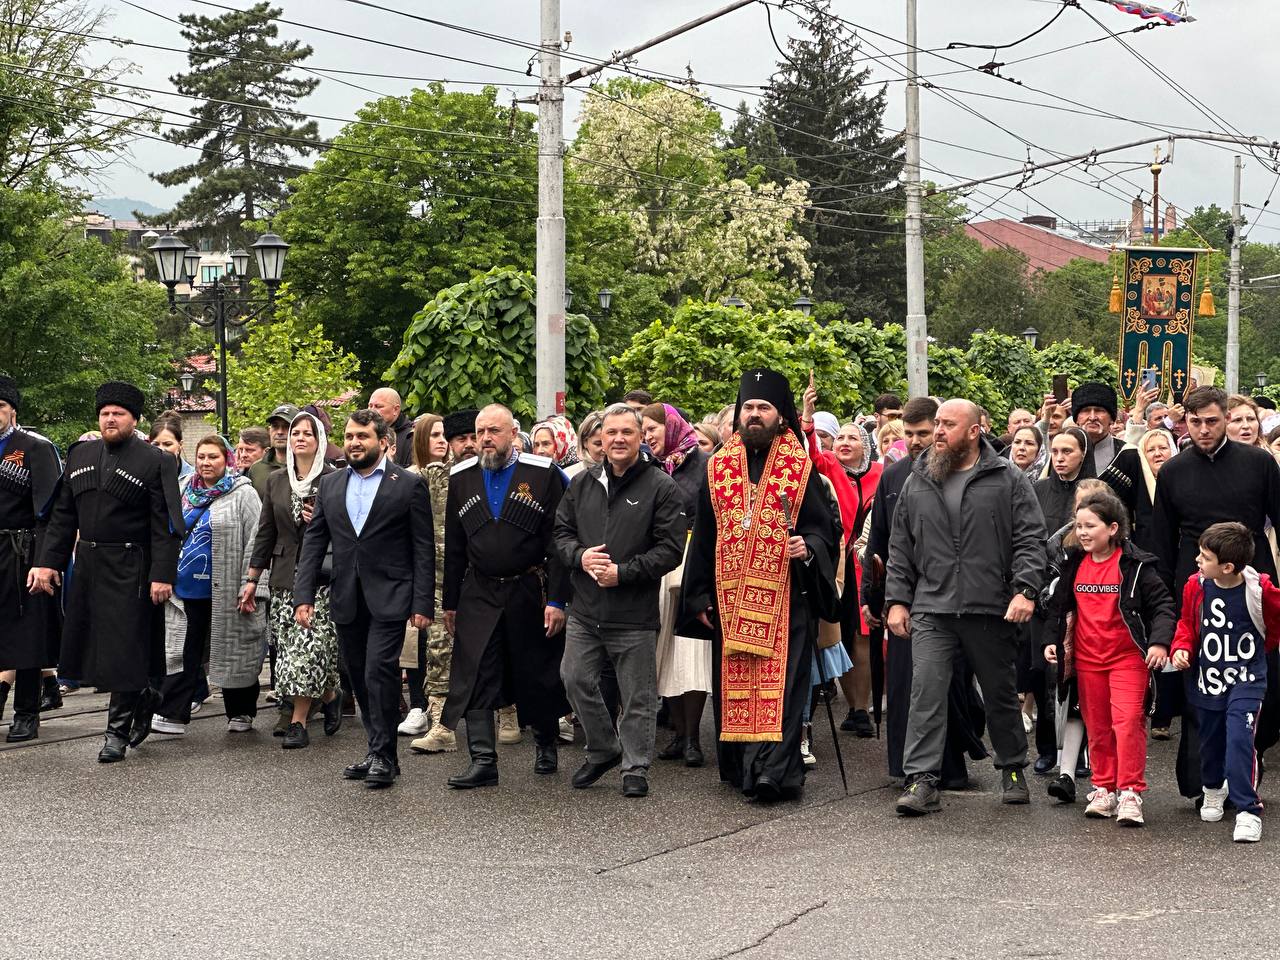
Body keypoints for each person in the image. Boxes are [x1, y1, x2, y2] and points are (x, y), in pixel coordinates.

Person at [681, 368, 839, 803]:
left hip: (788, 600)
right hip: (730, 603)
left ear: (780, 415)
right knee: (735, 685)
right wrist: (697, 595)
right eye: (748, 407)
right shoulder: (717, 468)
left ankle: (775, 772)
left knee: (783, 689)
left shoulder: (801, 468)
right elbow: (704, 535)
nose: (754, 415)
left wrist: (807, 547)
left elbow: (826, 533)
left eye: (763, 408)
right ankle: (742, 767)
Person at [886, 399, 1047, 816]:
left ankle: (1012, 769)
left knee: (1000, 695)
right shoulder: (918, 477)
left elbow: (1031, 539)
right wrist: (897, 601)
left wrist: (1025, 590)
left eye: (947, 425)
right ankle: (922, 780)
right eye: (936, 424)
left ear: (974, 431)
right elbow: (901, 545)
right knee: (926, 694)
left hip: (990, 607)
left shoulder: (1007, 477)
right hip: (932, 608)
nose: (938, 432)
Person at [30, 382, 183, 762]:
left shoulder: (156, 461)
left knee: (123, 649)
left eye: (119, 413)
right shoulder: (81, 453)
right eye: (105, 413)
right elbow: (63, 516)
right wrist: (48, 562)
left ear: (135, 419)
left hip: (133, 566)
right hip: (88, 564)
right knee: (89, 647)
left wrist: (162, 574)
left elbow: (165, 524)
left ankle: (114, 733)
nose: (111, 418)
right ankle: (144, 695)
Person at [294, 410, 435, 789]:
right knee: (357, 675)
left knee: (378, 671)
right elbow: (314, 543)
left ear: (384, 441)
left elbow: (423, 549)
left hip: (392, 596)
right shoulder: (331, 484)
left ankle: (385, 755)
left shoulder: (407, 485)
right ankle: (377, 748)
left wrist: (423, 603)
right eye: (350, 436)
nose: (355, 442)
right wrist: (302, 595)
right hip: (346, 597)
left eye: (363, 436)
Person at [1152, 385, 1280, 802]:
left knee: (1255, 680)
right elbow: (1162, 541)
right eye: (1195, 422)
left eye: (1211, 420)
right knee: (1201, 686)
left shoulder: (1259, 463)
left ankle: (1245, 772)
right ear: (1184, 423)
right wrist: (1164, 601)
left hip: (1252, 585)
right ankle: (1203, 780)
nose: (1204, 430)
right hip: (1195, 588)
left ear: (1226, 417)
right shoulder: (1172, 471)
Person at [555, 404, 685, 797]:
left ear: (641, 437)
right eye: (610, 433)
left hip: (634, 613)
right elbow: (560, 533)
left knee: (638, 696)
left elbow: (671, 549)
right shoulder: (582, 483)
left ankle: (636, 766)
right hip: (585, 609)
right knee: (574, 679)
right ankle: (604, 748)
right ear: (601, 438)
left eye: (626, 432)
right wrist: (580, 557)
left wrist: (623, 572)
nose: (617, 439)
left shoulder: (661, 487)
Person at [441, 403, 571, 789]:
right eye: (480, 432)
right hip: (479, 590)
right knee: (475, 670)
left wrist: (558, 600)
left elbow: (561, 543)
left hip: (529, 587)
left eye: (493, 431)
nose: (484, 439)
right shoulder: (461, 477)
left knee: (537, 671)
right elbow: (455, 545)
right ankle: (483, 760)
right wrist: (450, 603)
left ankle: (546, 745)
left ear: (513, 433)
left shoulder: (544, 474)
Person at [862, 397, 985, 787]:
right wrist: (871, 596)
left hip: (954, 598)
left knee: (948, 683)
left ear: (941, 429)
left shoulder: (965, 470)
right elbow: (879, 542)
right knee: (904, 684)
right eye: (910, 434)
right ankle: (908, 769)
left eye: (924, 433)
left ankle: (949, 768)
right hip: (904, 596)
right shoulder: (893, 476)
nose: (916, 441)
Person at [1040, 491, 1173, 826]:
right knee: (1098, 728)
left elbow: (1162, 607)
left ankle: (1130, 792)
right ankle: (1104, 788)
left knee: (1127, 723)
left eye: (1091, 526)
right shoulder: (1073, 564)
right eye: (1079, 526)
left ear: (1113, 528)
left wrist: (1158, 643)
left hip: (1127, 658)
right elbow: (1057, 608)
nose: (1083, 532)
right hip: (1087, 661)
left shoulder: (1136, 565)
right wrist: (1051, 641)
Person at [1171, 522, 1280, 842]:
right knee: (1211, 740)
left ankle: (1248, 809)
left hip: (1247, 678)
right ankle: (1213, 788)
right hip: (1210, 678)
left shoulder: (1260, 589)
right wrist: (1182, 648)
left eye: (1204, 557)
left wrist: (1264, 650)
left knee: (1240, 740)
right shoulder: (1196, 585)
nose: (1197, 561)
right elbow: (1188, 624)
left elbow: (1274, 624)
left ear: (1227, 566)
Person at [150, 435, 266, 736]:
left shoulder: (243, 493)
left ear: (225, 460)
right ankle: (173, 714)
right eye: (201, 456)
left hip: (227, 588)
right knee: (180, 650)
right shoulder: (182, 488)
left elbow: (257, 541)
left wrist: (250, 582)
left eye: (213, 457)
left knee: (234, 646)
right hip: (185, 589)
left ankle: (240, 711)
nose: (206, 462)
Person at [243, 411, 343, 750]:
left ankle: (299, 722)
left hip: (321, 579)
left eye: (307, 433)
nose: (299, 438)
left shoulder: (335, 478)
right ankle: (330, 695)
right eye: (295, 433)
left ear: (319, 441)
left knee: (308, 648)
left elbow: (351, 531)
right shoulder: (276, 481)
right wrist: (252, 579)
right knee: (290, 651)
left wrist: (322, 522)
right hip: (285, 576)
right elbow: (266, 533)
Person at [641, 403, 713, 768]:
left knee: (691, 652)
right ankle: (678, 734)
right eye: (645, 430)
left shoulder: (704, 463)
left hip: (691, 561)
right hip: (657, 563)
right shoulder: (650, 468)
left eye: (653, 428)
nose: (648, 435)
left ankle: (693, 739)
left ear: (671, 425)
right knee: (664, 650)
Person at [0, 377, 62, 742]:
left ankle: (26, 712)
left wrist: (46, 560)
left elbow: (51, 512)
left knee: (26, 634)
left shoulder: (34, 448)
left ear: (12, 411)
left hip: (22, 550)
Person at [403, 413, 457, 753]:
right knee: (420, 646)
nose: (441, 440)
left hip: (452, 572)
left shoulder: (460, 477)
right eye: (434, 435)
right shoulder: (407, 480)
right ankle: (421, 709)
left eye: (444, 435)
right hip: (419, 573)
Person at [833, 420, 882, 737]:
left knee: (862, 638)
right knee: (838, 637)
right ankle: (852, 706)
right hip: (835, 566)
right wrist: (807, 417)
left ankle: (862, 709)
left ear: (866, 444)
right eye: (839, 437)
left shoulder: (881, 473)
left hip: (865, 566)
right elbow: (809, 447)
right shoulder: (828, 471)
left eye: (853, 437)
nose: (845, 442)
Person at [250, 404, 300, 499]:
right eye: (275, 426)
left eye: (286, 426)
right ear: (269, 430)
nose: (280, 432)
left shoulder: (308, 467)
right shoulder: (256, 469)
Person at [1072, 382, 1123, 476]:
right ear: (1076, 419)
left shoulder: (1127, 453)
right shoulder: (1062, 451)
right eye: (1086, 411)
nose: (1092, 417)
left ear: (1112, 419)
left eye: (1099, 410)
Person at [370, 387, 415, 467]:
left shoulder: (411, 437)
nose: (372, 411)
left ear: (395, 409)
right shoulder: (366, 435)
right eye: (370, 406)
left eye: (378, 406)